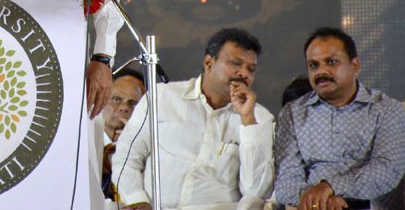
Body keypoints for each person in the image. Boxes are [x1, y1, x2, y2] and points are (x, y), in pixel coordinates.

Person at [111, 28, 275, 210]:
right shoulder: (162, 97)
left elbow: (256, 190)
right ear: (208, 63)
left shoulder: (259, 118)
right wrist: (137, 200)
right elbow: (127, 157)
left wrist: (247, 120)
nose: (244, 73)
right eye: (236, 63)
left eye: (251, 69)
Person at [274, 27, 405, 210]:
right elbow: (285, 182)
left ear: (355, 66)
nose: (322, 71)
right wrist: (323, 201)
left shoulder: (386, 109)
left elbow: (387, 170)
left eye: (331, 62)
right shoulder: (293, 113)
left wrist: (330, 188)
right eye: (314, 65)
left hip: (370, 205)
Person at [101, 68, 146, 206]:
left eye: (133, 103)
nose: (124, 108)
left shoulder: (152, 151)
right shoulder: (82, 144)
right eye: (116, 99)